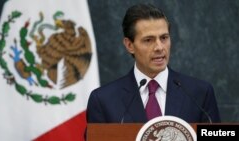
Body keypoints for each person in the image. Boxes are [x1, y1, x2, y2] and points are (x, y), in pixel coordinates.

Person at [86, 4, 221, 123]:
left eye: (164, 38)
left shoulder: (199, 93)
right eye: (148, 40)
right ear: (129, 45)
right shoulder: (103, 100)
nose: (159, 47)